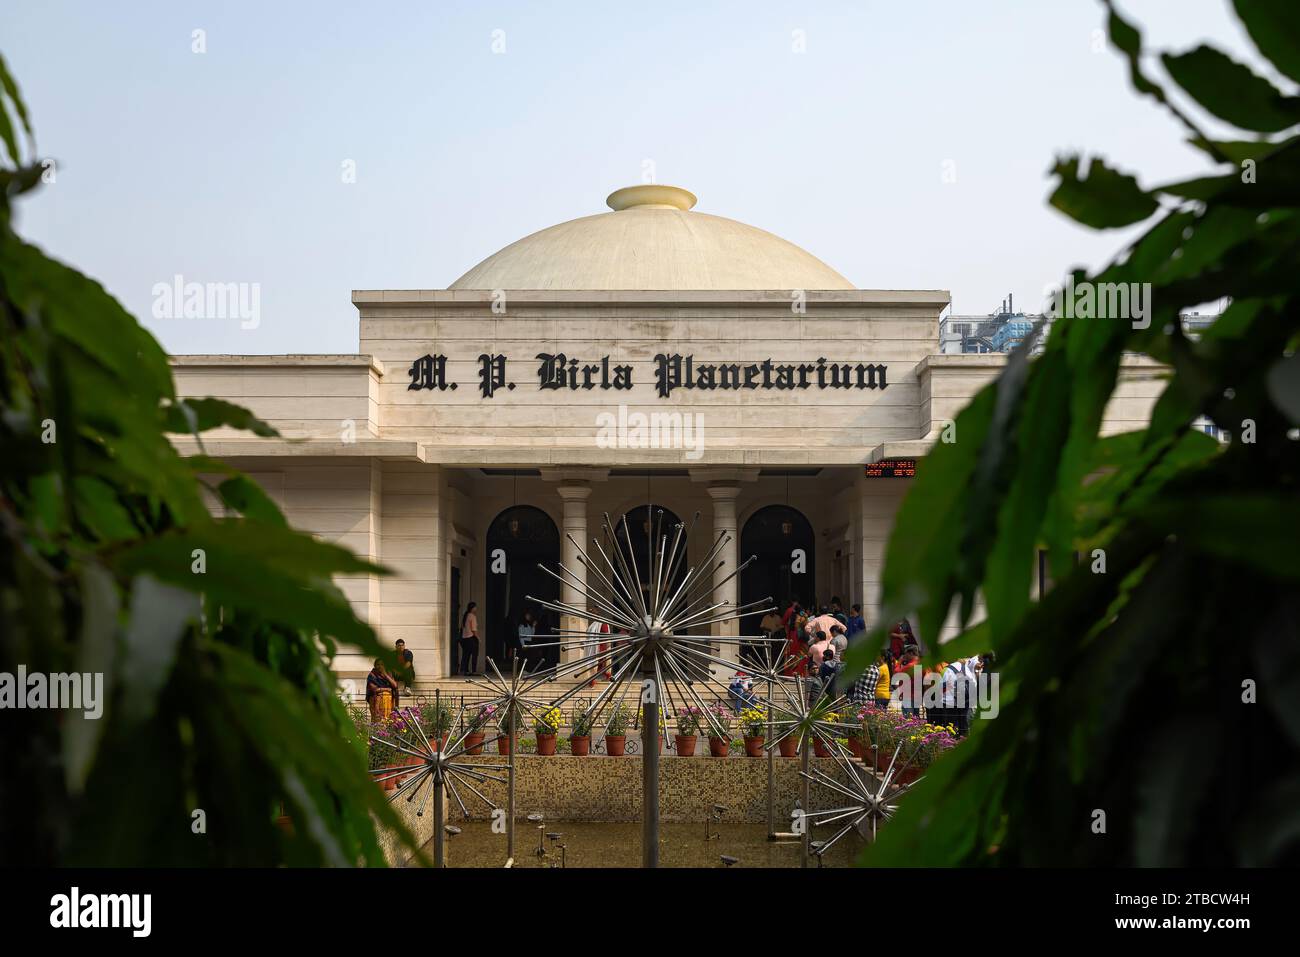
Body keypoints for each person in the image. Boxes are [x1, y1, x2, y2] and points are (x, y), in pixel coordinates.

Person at [458, 602, 480, 677]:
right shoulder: (472, 616)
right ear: (472, 608)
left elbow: (462, 627)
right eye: (475, 607)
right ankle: (474, 671)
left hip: (464, 639)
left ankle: (465, 670)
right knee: (474, 655)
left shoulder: (465, 615)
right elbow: (473, 629)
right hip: (471, 638)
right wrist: (478, 638)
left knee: (466, 655)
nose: (476, 609)